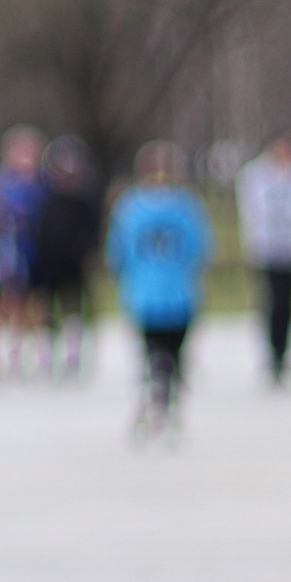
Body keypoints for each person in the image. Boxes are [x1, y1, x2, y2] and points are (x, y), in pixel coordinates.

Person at [105, 141, 212, 443]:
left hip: (144, 295)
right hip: (177, 294)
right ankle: (167, 398)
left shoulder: (130, 206)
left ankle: (155, 393)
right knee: (172, 354)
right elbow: (199, 249)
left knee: (152, 353)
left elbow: (117, 253)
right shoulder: (185, 206)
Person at [235, 129, 291, 385]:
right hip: (267, 249)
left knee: (289, 304)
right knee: (271, 302)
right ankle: (272, 352)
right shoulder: (255, 175)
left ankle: (284, 351)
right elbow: (250, 210)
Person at [28, 139, 102, 381]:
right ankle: (45, 355)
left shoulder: (84, 201)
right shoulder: (44, 198)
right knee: (44, 308)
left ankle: (73, 354)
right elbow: (37, 230)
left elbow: (93, 231)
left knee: (73, 307)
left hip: (73, 263)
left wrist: (86, 252)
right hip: (47, 263)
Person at [0, 127, 45, 379]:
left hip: (30, 251)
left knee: (29, 305)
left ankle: (18, 354)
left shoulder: (38, 184)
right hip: (7, 253)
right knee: (4, 303)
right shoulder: (1, 183)